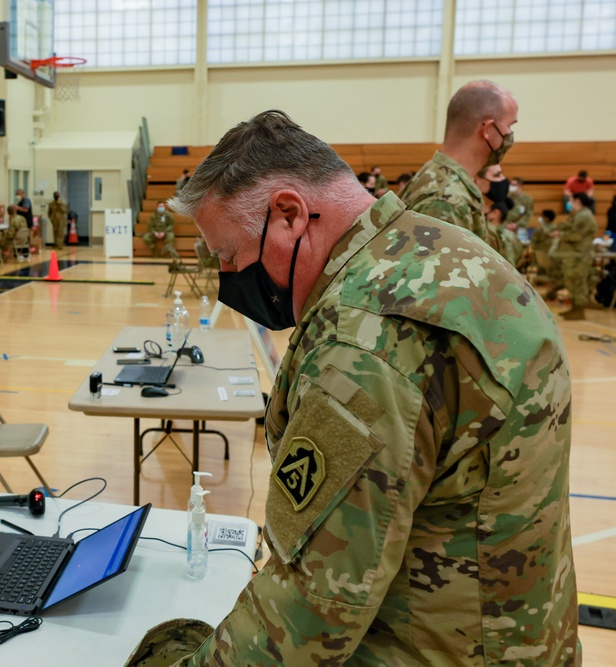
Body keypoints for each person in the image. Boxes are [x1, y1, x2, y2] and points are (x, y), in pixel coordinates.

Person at [126, 110, 579, 665]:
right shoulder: (442, 251)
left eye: (230, 256)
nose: (230, 279)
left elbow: (310, 612)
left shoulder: (366, 340)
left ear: (289, 214)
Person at [400, 80, 518, 245]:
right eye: (510, 126)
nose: (510, 135)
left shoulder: (442, 178)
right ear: (488, 130)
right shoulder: (446, 200)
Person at [552, 192, 598, 320]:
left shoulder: (584, 216)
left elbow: (576, 235)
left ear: (577, 201)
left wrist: (560, 234)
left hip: (580, 255)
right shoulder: (579, 215)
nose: (569, 202)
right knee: (572, 281)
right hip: (575, 254)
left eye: (571, 199)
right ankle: (575, 309)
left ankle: (579, 310)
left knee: (577, 282)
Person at [532, 209, 558, 280]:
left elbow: (533, 243)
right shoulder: (556, 229)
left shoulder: (540, 230)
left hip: (540, 256)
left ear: (546, 218)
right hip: (553, 257)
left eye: (542, 216)